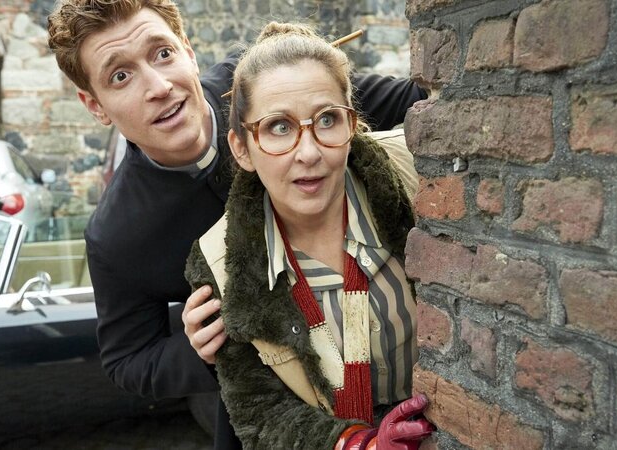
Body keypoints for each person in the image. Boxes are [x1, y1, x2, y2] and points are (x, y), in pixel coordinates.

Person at [46, 1, 427, 448]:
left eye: (162, 54)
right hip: (271, 406)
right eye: (120, 76)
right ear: (96, 106)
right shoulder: (116, 235)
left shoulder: (263, 82)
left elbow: (411, 103)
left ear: (188, 49)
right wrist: (198, 350)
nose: (159, 86)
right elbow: (127, 360)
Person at [185, 22, 433, 449]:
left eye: (327, 119)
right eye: (279, 127)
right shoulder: (220, 266)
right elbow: (261, 413)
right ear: (242, 147)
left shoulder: (417, 176)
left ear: (351, 124)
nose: (310, 152)